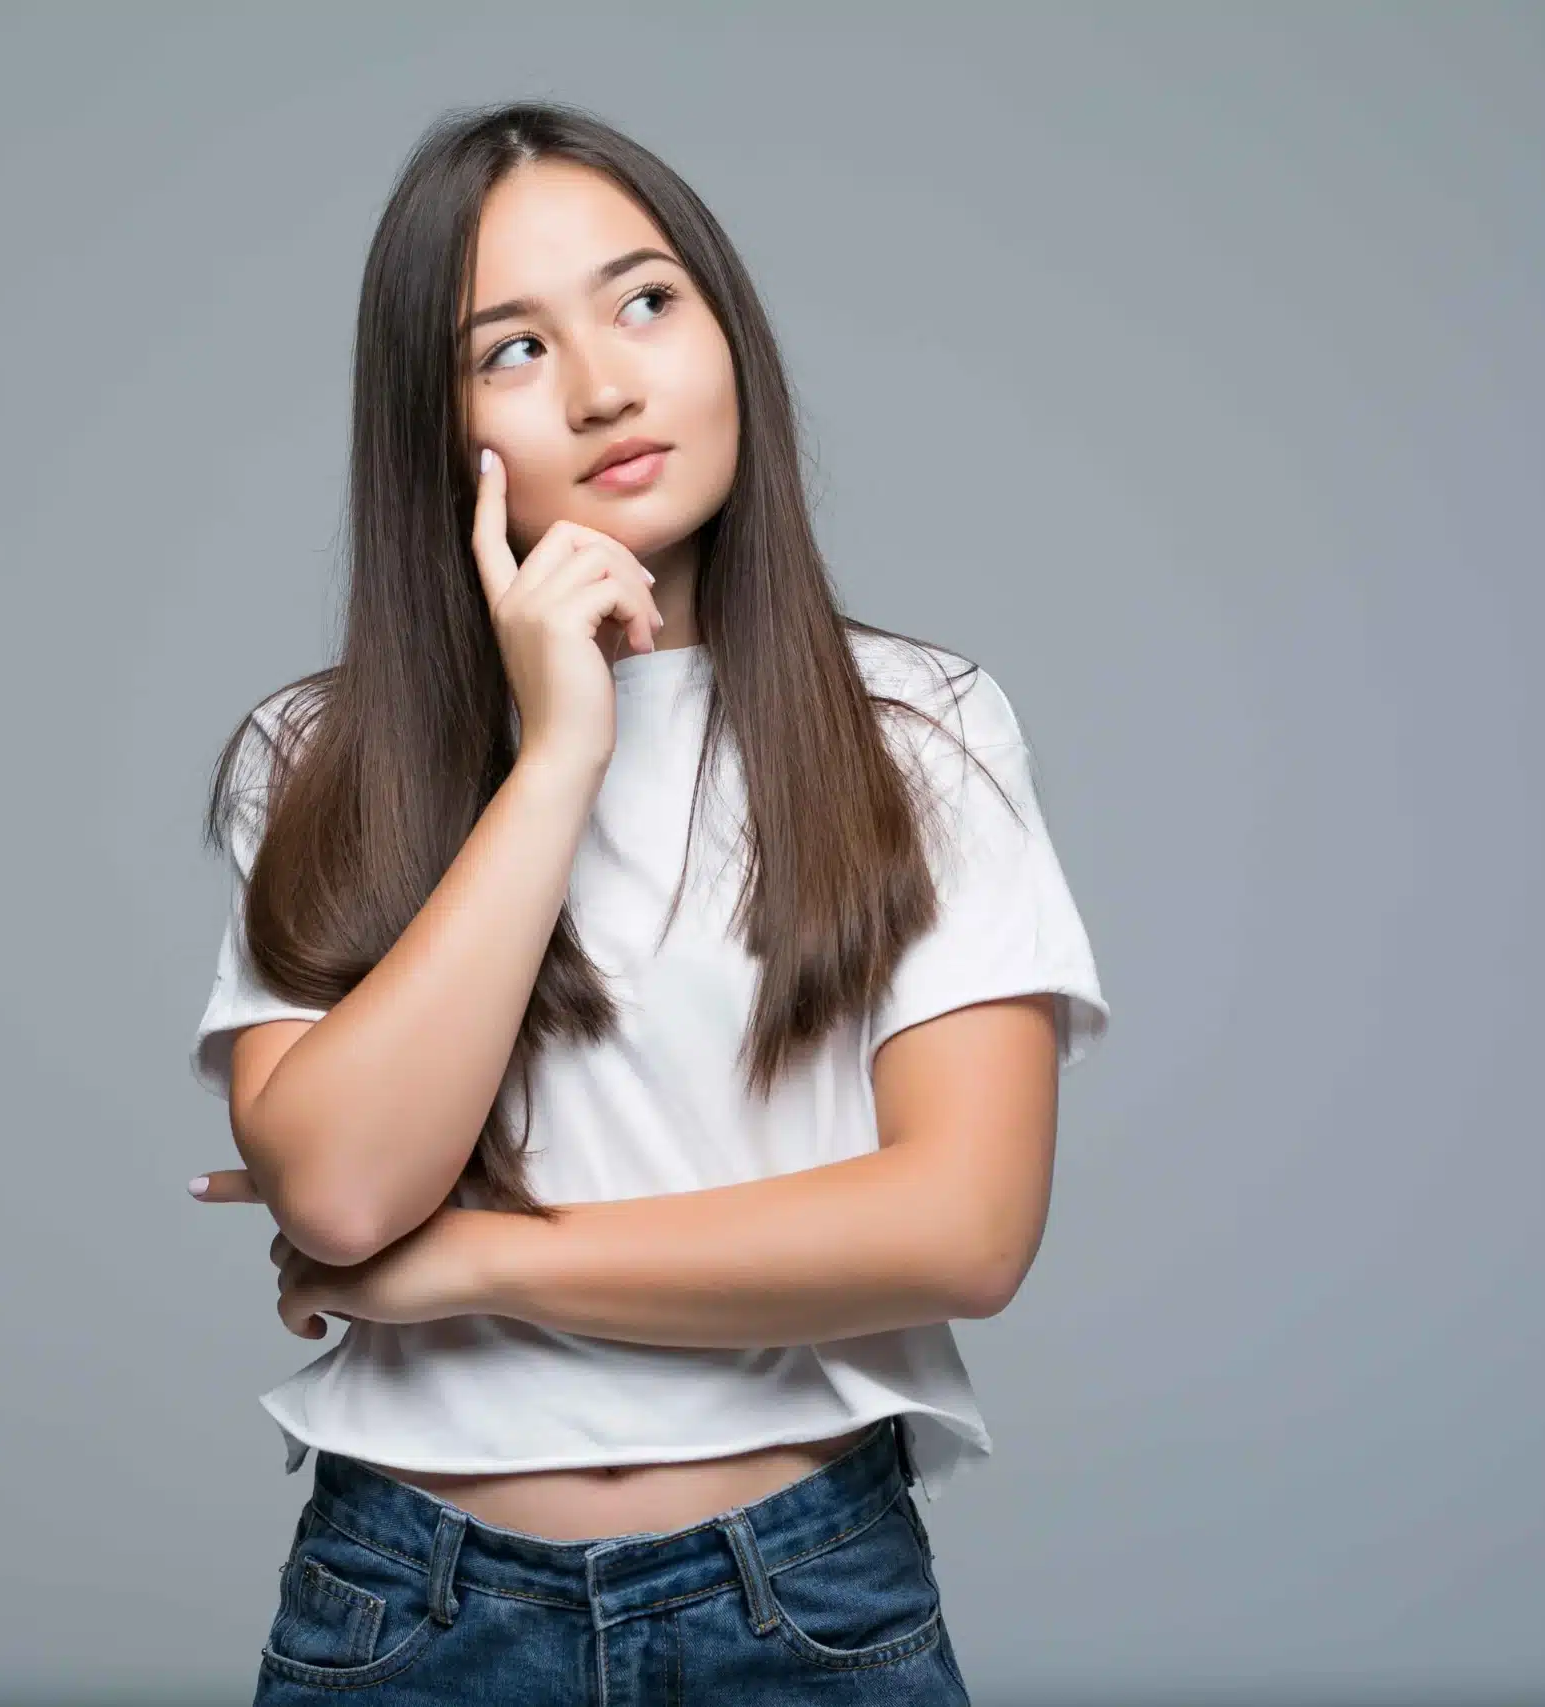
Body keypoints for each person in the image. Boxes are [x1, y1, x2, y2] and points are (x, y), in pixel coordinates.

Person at [187, 99, 1109, 1704]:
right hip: (409, 1606)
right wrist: (555, 762)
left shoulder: (919, 727)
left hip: (804, 1596)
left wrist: (473, 1263)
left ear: (724, 326)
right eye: (513, 349)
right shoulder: (322, 752)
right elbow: (336, 1194)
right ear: (438, 423)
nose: (607, 382)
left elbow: (962, 1224)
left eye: (644, 301)